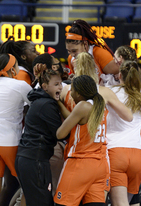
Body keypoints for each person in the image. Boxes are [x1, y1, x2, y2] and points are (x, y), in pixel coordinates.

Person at [0, 38, 38, 206]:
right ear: (12, 68)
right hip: (9, 141)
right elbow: (36, 105)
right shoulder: (20, 85)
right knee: (28, 189)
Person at [54, 75, 107, 206]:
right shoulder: (100, 106)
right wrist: (59, 104)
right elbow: (76, 118)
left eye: (72, 90)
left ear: (78, 92)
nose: (70, 94)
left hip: (80, 163)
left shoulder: (82, 106)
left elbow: (60, 134)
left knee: (61, 204)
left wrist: (56, 102)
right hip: (99, 165)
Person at [15, 67, 63, 206]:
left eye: (60, 83)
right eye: (56, 84)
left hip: (27, 158)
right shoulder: (47, 104)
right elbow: (60, 133)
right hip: (35, 160)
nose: (60, 87)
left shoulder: (38, 101)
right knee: (42, 203)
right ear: (44, 86)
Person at [107, 61, 141, 206]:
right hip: (137, 155)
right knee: (132, 203)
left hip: (116, 152)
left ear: (119, 75)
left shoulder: (111, 91)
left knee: (120, 204)